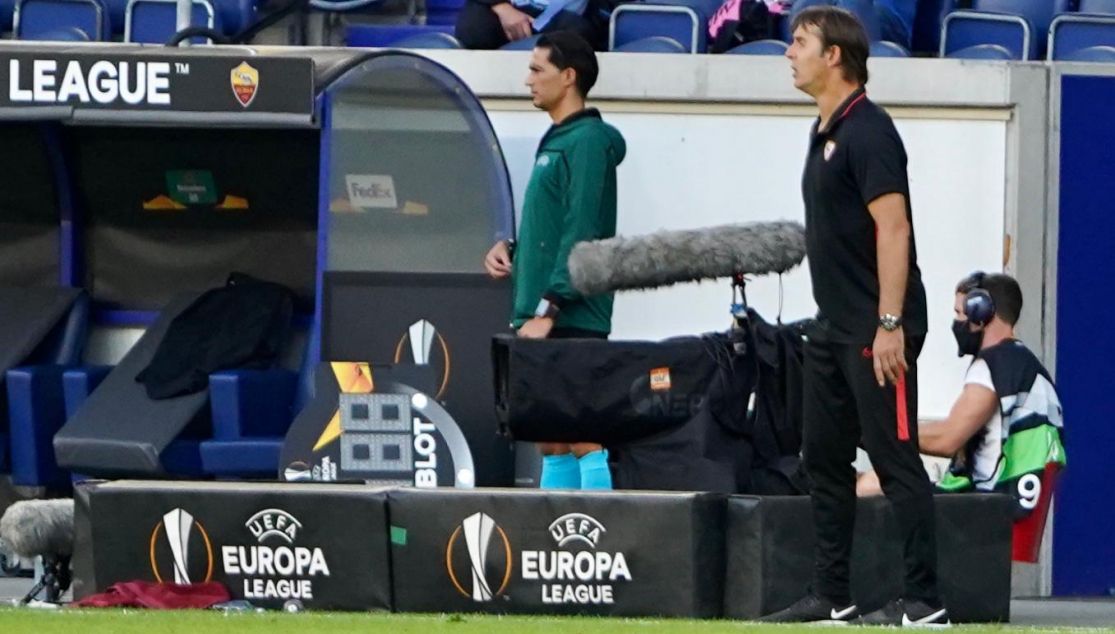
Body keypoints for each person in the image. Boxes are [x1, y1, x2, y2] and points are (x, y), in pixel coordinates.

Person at [762, 6, 947, 625]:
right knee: (824, 460)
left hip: (877, 329)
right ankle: (831, 595)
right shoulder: (824, 132)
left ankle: (925, 602)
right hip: (832, 326)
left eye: (799, 42)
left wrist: (890, 325)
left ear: (833, 55)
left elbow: (894, 230)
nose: (789, 52)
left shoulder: (869, 131)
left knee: (894, 460)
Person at [483, 31, 626, 490]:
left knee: (584, 432)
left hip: (568, 313)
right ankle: (556, 542)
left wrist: (549, 308)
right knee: (551, 437)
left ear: (568, 77)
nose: (527, 80)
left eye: (536, 70)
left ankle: (599, 538)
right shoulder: (559, 139)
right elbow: (552, 225)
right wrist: (513, 250)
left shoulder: (588, 141)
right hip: (541, 309)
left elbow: (583, 229)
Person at [857, 272, 1066, 564]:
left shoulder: (995, 364)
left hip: (986, 507)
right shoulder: (1020, 363)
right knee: (892, 478)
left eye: (960, 314)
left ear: (982, 313)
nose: (956, 324)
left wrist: (876, 433)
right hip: (1002, 501)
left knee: (870, 485)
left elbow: (948, 438)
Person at [454, 0, 607, 50]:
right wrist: (501, 7)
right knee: (475, 27)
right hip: (506, 12)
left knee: (575, 36)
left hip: (565, 22)